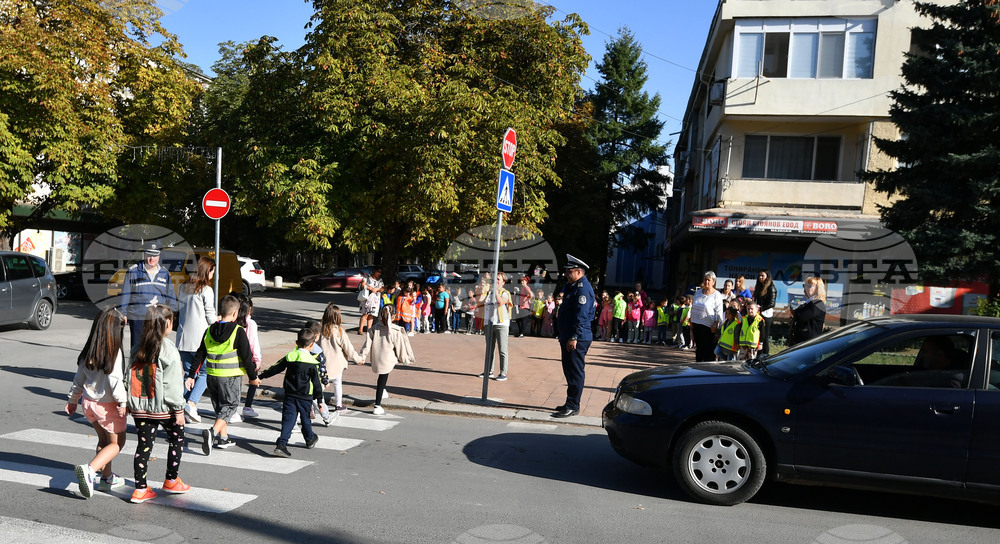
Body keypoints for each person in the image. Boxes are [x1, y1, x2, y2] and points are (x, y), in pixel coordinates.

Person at [126, 304, 190, 503]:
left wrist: (129, 402)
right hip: (164, 408)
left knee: (143, 446)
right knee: (177, 438)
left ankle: (140, 489)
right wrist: (179, 409)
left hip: (140, 407)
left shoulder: (137, 347)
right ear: (167, 324)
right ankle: (171, 479)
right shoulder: (168, 349)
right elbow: (173, 383)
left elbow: (129, 376)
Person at [185, 295, 260, 455]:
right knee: (230, 406)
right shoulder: (238, 331)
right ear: (235, 313)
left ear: (220, 311)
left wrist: (191, 375)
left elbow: (200, 354)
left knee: (220, 408)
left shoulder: (209, 330)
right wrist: (253, 377)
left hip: (212, 376)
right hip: (230, 377)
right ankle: (212, 432)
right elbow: (247, 357)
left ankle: (223, 438)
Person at [68, 307, 128, 499]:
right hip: (107, 406)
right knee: (117, 443)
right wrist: (123, 402)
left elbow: (78, 379)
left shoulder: (88, 352)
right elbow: (115, 380)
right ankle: (90, 469)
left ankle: (107, 478)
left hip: (89, 404)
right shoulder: (114, 352)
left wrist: (72, 400)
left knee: (104, 441)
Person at [259, 328, 323, 457]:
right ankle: (309, 439)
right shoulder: (312, 362)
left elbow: (275, 368)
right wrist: (320, 400)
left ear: (296, 343)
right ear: (312, 344)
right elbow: (317, 383)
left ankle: (281, 444)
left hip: (289, 395)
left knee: (288, 420)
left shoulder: (290, 357)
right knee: (305, 419)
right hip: (305, 397)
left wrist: (260, 376)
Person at [553, 254, 596, 418]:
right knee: (569, 371)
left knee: (575, 372)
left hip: (577, 337)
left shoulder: (582, 289)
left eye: (569, 272)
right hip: (570, 335)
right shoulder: (574, 286)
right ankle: (570, 402)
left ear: (579, 272)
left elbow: (582, 315)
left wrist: (574, 336)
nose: (566, 274)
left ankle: (573, 405)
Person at [176, 257, 216, 424]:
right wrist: (220, 320)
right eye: (212, 271)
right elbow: (210, 317)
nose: (213, 274)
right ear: (207, 271)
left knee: (188, 374)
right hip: (200, 340)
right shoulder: (206, 290)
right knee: (205, 372)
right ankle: (191, 404)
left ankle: (184, 409)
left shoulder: (182, 288)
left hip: (183, 339)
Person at [120, 242, 177, 354]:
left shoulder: (164, 273)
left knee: (156, 349)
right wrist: (123, 313)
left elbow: (170, 296)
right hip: (138, 317)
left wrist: (171, 314)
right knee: (137, 349)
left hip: (157, 319)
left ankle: (153, 366)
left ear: (159, 256)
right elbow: (126, 294)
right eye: (149, 255)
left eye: (155, 255)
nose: (152, 259)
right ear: (145, 255)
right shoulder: (133, 271)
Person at [360, 305, 415, 415]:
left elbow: (367, 344)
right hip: (388, 359)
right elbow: (400, 347)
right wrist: (405, 360)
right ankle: (377, 405)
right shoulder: (395, 330)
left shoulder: (374, 328)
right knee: (382, 378)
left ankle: (383, 392)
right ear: (393, 316)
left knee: (382, 377)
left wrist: (362, 356)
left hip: (377, 358)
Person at [319, 303, 362, 412]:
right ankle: (338, 405)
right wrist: (357, 359)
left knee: (321, 385)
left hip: (323, 363)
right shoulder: (339, 331)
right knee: (337, 384)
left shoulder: (321, 330)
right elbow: (348, 348)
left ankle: (317, 404)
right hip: (337, 363)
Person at [478, 271, 513, 381]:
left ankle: (503, 372)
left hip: (501, 323)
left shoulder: (505, 292)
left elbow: (501, 302)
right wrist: (482, 289)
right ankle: (489, 371)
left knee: (502, 349)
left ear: (503, 282)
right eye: (495, 279)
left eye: (498, 279)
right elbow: (479, 302)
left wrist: (495, 291)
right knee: (489, 348)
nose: (496, 281)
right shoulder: (488, 292)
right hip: (489, 322)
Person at [233, 293, 262, 421]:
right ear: (249, 309)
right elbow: (254, 343)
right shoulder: (250, 323)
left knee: (235, 384)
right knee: (253, 380)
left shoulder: (233, 321)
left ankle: (233, 409)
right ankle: (247, 406)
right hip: (248, 357)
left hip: (234, 356)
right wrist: (257, 359)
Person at [690, 271, 725, 362]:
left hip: (709, 326)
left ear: (713, 282)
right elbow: (693, 307)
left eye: (709, 280)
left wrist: (716, 325)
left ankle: (707, 369)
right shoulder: (698, 292)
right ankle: (698, 367)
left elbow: (719, 311)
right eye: (705, 279)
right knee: (699, 348)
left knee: (708, 350)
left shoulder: (716, 295)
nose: (706, 282)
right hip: (696, 324)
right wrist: (691, 321)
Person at [790, 276, 827, 345]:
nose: (805, 288)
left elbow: (802, 316)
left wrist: (796, 312)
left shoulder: (818, 303)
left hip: (810, 343)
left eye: (809, 286)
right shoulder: (809, 302)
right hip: (802, 341)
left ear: (817, 289)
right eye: (804, 285)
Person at [752, 269, 777, 356]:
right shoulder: (759, 286)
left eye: (762, 275)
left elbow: (772, 303)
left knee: (765, 337)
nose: (760, 277)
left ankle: (766, 356)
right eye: (759, 275)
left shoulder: (771, 287)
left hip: (766, 315)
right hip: (758, 314)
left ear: (767, 276)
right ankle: (758, 355)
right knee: (758, 336)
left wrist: (761, 309)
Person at [358, 267, 385, 335]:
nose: (379, 273)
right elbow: (363, 285)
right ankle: (360, 330)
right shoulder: (367, 277)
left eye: (380, 272)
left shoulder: (380, 280)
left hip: (375, 299)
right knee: (365, 314)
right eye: (378, 272)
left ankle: (369, 330)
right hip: (367, 298)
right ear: (374, 271)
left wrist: (377, 289)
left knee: (371, 315)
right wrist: (371, 288)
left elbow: (382, 288)